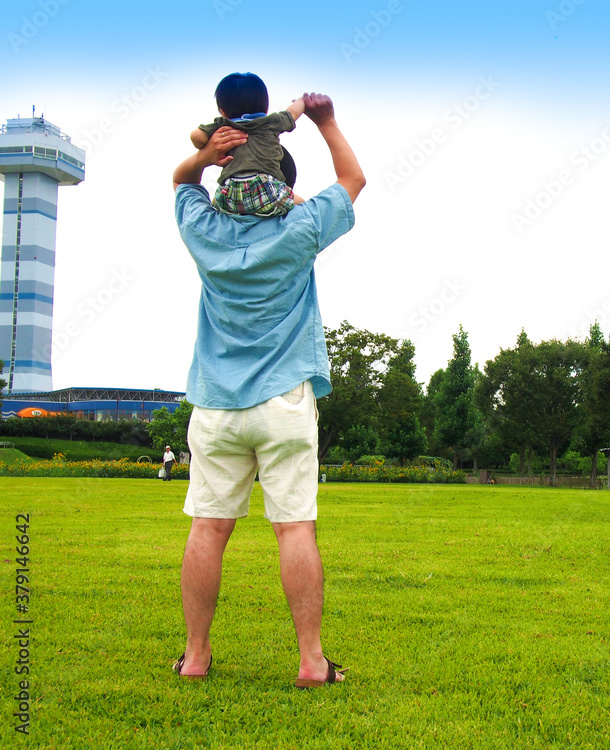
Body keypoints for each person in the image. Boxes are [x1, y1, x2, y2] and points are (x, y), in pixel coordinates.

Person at [170, 91, 365, 687]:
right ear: (282, 182)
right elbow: (353, 179)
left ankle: (196, 657)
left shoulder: (202, 228)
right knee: (295, 528)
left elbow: (179, 183)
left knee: (208, 528)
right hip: (283, 399)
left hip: (216, 404)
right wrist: (326, 121)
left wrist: (206, 152)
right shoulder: (302, 227)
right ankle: (311, 662)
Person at [191, 72, 306, 217]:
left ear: (222, 111)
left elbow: (196, 136)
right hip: (266, 191)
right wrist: (303, 100)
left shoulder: (223, 126)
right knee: (302, 204)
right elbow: (293, 112)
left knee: (215, 203)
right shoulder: (271, 122)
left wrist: (209, 145)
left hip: (231, 193)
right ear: (265, 108)